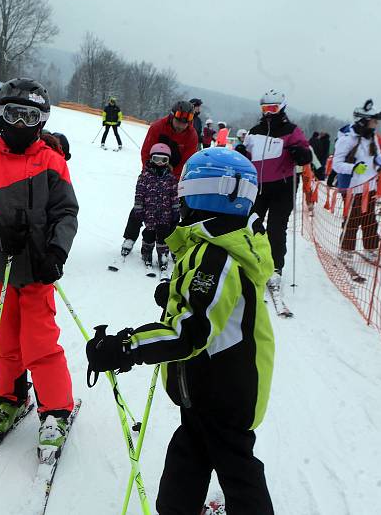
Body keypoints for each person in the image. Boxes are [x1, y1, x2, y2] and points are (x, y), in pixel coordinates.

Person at [86, 148, 275, 515]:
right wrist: (176, 291)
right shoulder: (214, 245)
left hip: (226, 393)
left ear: (200, 196)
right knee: (189, 451)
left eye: (184, 194)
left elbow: (189, 332)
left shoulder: (216, 256)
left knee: (236, 467)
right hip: (204, 388)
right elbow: (206, 302)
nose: (180, 202)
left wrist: (127, 347)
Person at [0, 78, 78, 454]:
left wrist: (56, 252)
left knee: (39, 340)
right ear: (0, 116)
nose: (21, 125)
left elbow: (65, 212)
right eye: (13, 115)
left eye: (30, 116)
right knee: (5, 339)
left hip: (38, 267)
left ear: (41, 121)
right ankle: (9, 397)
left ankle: (56, 408)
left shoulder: (51, 162)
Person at [242, 89, 311, 291]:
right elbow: (246, 153)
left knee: (276, 228)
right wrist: (240, 152)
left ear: (281, 108)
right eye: (265, 108)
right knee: (252, 224)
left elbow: (305, 156)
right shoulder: (255, 130)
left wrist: (300, 153)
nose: (269, 113)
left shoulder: (291, 130)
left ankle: (275, 267)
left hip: (282, 186)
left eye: (273, 108)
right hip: (258, 186)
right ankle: (250, 258)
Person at [119, 100, 199, 258]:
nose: (181, 126)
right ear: (172, 116)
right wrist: (148, 175)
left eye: (185, 123)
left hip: (174, 175)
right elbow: (146, 151)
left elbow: (187, 161)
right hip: (153, 169)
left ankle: (175, 243)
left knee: (175, 211)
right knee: (141, 205)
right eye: (178, 121)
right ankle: (130, 237)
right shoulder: (157, 127)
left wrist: (172, 180)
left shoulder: (192, 135)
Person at [332, 100, 381, 261]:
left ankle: (371, 247)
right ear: (363, 121)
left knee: (369, 218)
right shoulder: (347, 139)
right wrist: (353, 168)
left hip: (370, 186)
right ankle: (346, 249)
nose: (376, 124)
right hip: (352, 187)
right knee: (353, 219)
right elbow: (336, 164)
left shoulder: (372, 138)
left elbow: (376, 155)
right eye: (373, 121)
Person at [131, 143, 179, 271]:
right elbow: (139, 193)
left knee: (164, 235)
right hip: (149, 213)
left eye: (163, 160)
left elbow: (174, 195)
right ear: (151, 159)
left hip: (165, 214)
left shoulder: (171, 178)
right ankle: (146, 252)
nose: (159, 163)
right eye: (156, 159)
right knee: (149, 233)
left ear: (168, 161)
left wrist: (176, 210)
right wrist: (138, 208)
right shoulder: (145, 176)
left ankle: (163, 255)